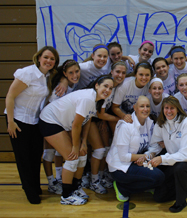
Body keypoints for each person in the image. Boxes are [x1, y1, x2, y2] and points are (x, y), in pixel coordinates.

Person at [39, 75, 114, 205]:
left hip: (63, 124)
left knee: (82, 155)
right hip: (50, 121)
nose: (107, 90)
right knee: (72, 157)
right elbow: (76, 125)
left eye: (111, 88)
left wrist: (83, 142)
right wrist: (75, 146)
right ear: (97, 85)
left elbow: (87, 121)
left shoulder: (97, 100)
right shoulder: (87, 98)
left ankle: (75, 187)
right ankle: (66, 195)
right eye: (105, 86)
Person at [4, 46, 59, 204]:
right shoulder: (27, 73)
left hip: (34, 121)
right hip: (18, 119)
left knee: (35, 156)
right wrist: (11, 121)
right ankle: (29, 190)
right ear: (39, 57)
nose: (48, 61)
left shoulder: (48, 76)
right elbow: (10, 96)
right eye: (46, 57)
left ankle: (35, 186)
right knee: (24, 158)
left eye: (52, 59)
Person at [144, 96, 187, 213]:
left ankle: (181, 202)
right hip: (174, 161)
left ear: (178, 109)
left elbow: (185, 156)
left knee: (180, 168)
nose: (169, 111)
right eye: (166, 108)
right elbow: (155, 145)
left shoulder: (186, 122)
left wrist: (162, 158)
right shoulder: (161, 123)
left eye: (172, 108)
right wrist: (148, 156)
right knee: (159, 197)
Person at [106, 96, 165, 202]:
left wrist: (147, 156)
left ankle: (142, 185)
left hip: (136, 161)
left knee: (163, 169)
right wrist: (145, 157)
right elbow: (123, 157)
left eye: (147, 106)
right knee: (158, 177)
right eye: (142, 106)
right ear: (135, 108)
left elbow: (155, 146)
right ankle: (123, 188)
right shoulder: (126, 126)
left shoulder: (149, 123)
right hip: (121, 167)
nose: (145, 109)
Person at [86, 61, 128, 192]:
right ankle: (93, 180)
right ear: (111, 72)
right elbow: (100, 113)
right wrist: (120, 118)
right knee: (98, 150)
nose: (120, 75)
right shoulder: (106, 85)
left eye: (123, 72)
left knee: (106, 148)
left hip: (98, 118)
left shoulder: (116, 87)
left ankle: (100, 175)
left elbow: (103, 113)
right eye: (117, 72)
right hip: (88, 119)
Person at [43, 59, 81, 195]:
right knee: (49, 152)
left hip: (62, 123)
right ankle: (50, 181)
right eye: (71, 73)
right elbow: (52, 107)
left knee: (60, 152)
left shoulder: (74, 85)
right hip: (49, 121)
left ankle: (59, 178)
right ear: (64, 74)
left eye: (77, 71)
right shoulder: (60, 88)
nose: (75, 75)